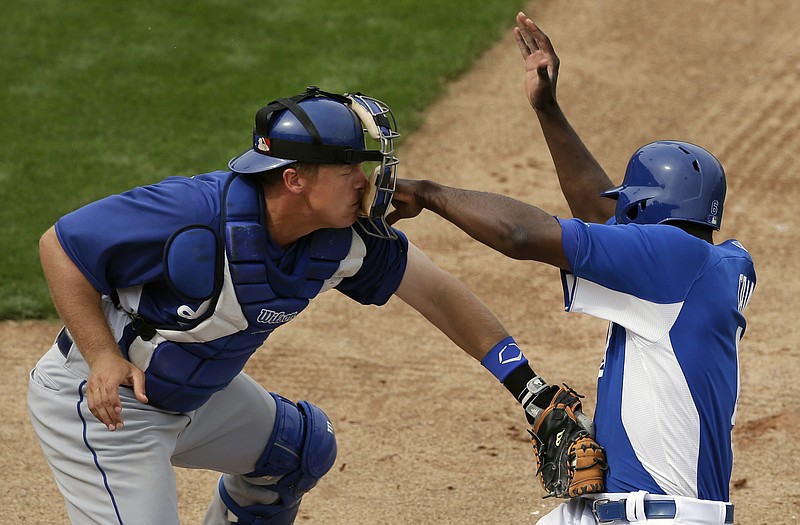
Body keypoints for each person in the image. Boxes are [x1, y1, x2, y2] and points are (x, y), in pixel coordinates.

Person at [28, 86, 583, 525]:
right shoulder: (191, 213)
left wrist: (528, 391)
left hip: (194, 398)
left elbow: (439, 295)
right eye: (348, 170)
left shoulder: (344, 238)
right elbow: (61, 245)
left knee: (296, 453)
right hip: (110, 408)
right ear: (293, 179)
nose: (364, 184)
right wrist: (101, 354)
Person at [386, 12, 755, 525]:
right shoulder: (724, 262)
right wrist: (548, 110)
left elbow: (522, 235)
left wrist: (428, 193)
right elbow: (606, 218)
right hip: (637, 510)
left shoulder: (672, 262)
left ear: (647, 215)